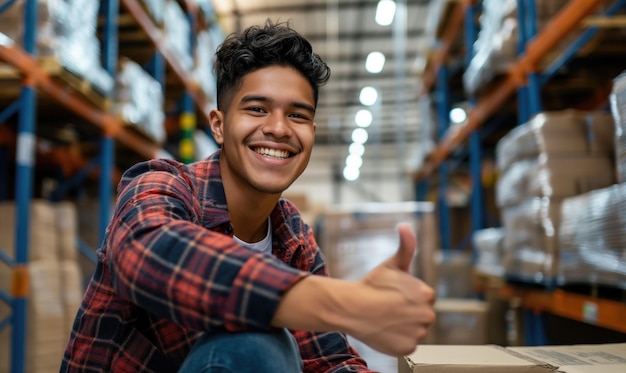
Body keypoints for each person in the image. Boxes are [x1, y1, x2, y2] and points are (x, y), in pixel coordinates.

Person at [61, 20, 436, 372]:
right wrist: (345, 304)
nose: (278, 128)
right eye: (257, 109)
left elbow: (327, 360)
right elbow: (148, 253)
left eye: (298, 116)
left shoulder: (293, 238)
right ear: (219, 126)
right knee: (256, 339)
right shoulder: (161, 185)